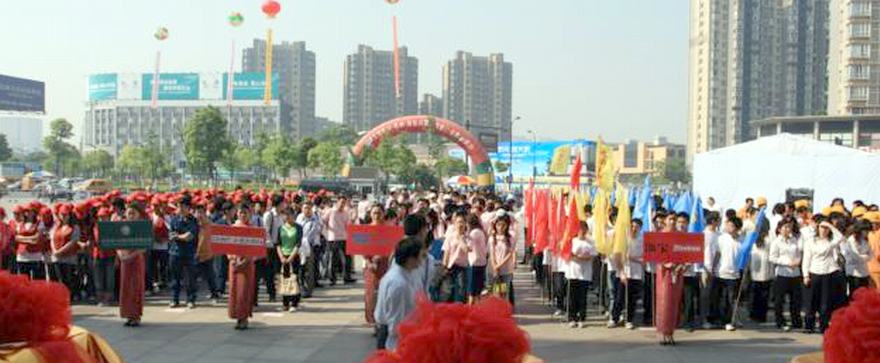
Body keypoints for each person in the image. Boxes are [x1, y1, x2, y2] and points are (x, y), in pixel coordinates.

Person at [374, 238, 423, 351]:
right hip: (394, 340)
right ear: (411, 259)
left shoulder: (401, 275)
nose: (421, 261)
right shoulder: (398, 284)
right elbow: (395, 325)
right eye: (420, 256)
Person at [803, 220, 847, 334]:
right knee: (811, 301)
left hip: (828, 273)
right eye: (822, 227)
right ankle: (809, 325)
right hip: (814, 272)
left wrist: (831, 226)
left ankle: (824, 325)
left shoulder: (830, 242)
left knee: (825, 302)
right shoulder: (811, 242)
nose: (824, 230)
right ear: (818, 229)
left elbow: (841, 237)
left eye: (826, 228)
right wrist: (805, 275)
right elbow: (806, 259)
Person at [769, 218, 803, 331]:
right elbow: (772, 258)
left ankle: (796, 320)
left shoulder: (794, 240)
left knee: (796, 300)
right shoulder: (776, 242)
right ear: (779, 229)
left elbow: (798, 253)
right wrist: (787, 263)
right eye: (785, 227)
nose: (788, 229)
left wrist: (798, 261)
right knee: (779, 300)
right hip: (782, 274)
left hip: (795, 274)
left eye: (789, 227)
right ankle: (780, 321)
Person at [118, 198, 148, 327]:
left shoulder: (142, 227)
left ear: (139, 214)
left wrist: (131, 256)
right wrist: (121, 255)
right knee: (125, 287)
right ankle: (128, 315)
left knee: (135, 287)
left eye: (133, 213)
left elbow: (143, 247)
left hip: (136, 260)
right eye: (128, 213)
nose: (130, 215)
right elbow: (116, 243)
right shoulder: (121, 225)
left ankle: (136, 316)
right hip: (124, 260)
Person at [168, 195, 200, 309]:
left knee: (190, 279)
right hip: (175, 253)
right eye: (179, 206)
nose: (180, 209)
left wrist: (177, 236)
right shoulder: (174, 219)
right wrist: (178, 236)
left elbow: (189, 237)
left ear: (189, 208)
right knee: (174, 278)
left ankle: (191, 300)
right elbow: (171, 235)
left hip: (189, 253)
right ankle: (174, 299)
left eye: (183, 206)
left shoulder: (194, 221)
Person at [229, 204, 257, 330]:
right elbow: (227, 246)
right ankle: (237, 317)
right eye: (240, 212)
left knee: (245, 291)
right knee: (235, 291)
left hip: (247, 264)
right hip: (234, 263)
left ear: (250, 213)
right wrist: (231, 257)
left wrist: (245, 260)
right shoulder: (233, 227)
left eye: (245, 213)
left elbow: (255, 249)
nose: (242, 215)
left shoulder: (253, 229)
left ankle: (244, 318)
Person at [363, 205, 390, 325]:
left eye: (379, 212)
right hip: (370, 266)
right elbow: (361, 248)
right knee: (371, 293)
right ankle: (372, 319)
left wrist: (381, 256)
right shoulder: (365, 229)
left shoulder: (389, 229)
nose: (376, 215)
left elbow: (392, 247)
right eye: (374, 213)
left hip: (385, 264)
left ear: (383, 214)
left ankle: (383, 320)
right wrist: (369, 262)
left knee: (384, 293)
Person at [259, 194, 285, 302]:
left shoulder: (281, 216)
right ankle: (271, 294)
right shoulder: (269, 215)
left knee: (277, 271)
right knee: (269, 272)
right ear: (279, 204)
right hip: (270, 247)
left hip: (279, 246)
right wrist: (269, 245)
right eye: (283, 203)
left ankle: (279, 292)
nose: (285, 205)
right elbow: (265, 231)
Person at [323, 196, 354, 285]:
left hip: (344, 237)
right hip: (333, 238)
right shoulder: (330, 211)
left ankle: (347, 277)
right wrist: (327, 232)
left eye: (344, 203)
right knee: (333, 259)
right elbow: (324, 220)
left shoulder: (346, 213)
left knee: (347, 259)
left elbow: (348, 225)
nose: (342, 204)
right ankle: (332, 279)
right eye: (341, 202)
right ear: (337, 202)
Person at [277, 209, 303, 313]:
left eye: (289, 215)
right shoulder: (280, 228)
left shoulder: (298, 228)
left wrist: (291, 258)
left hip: (294, 255)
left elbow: (298, 244)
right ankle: (285, 303)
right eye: (285, 215)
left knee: (294, 279)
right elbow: (278, 243)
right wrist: (282, 257)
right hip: (283, 255)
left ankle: (294, 303)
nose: (287, 217)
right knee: (284, 279)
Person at [748, 218, 773, 324]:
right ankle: (760, 315)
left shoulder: (767, 239)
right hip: (761, 270)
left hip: (760, 270)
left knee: (756, 293)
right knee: (763, 294)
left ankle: (755, 314)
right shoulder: (756, 238)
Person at [622, 219, 645, 330]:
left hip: (636, 273)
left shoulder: (642, 241)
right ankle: (619, 316)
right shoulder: (624, 239)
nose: (634, 229)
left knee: (632, 298)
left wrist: (633, 259)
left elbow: (645, 258)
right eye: (632, 226)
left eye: (636, 227)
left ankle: (630, 319)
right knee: (621, 297)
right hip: (624, 272)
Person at [297, 200, 323, 297]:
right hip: (299, 246)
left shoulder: (314, 220)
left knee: (309, 270)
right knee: (300, 269)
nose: (307, 210)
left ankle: (308, 290)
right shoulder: (299, 218)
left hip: (309, 246)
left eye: (309, 208)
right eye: (305, 208)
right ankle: (300, 287)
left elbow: (311, 235)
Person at [490, 213, 517, 306]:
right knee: (497, 292)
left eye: (503, 225)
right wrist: (494, 266)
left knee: (504, 292)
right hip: (496, 270)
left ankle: (505, 312)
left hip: (506, 270)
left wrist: (499, 265)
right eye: (498, 225)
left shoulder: (510, 238)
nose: (500, 227)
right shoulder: (493, 238)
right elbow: (492, 253)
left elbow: (510, 253)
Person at [442, 212, 469, 303]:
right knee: (449, 290)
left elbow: (466, 249)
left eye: (462, 222)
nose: (460, 224)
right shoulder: (449, 237)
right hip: (451, 266)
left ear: (465, 223)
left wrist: (460, 238)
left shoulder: (468, 237)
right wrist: (444, 267)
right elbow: (446, 252)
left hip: (462, 267)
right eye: (458, 222)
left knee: (462, 290)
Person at [841, 220, 870, 299]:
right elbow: (854, 256)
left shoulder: (865, 241)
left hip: (864, 271)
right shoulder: (851, 240)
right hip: (854, 272)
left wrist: (864, 257)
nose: (867, 233)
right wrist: (864, 256)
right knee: (854, 294)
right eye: (865, 230)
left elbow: (870, 254)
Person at [466, 213, 488, 304]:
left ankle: (471, 312)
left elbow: (468, 247)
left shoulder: (473, 233)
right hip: (481, 262)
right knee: (478, 291)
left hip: (474, 262)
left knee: (471, 292)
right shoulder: (481, 232)